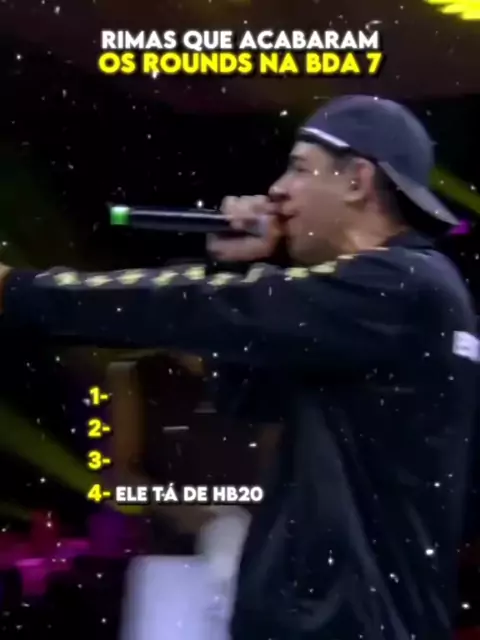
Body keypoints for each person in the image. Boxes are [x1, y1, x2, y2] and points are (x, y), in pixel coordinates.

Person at [0, 95, 478, 639]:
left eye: (299, 169)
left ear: (357, 180)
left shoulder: (401, 285)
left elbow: (201, 306)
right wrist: (236, 264)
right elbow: (245, 392)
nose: (277, 190)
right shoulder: (388, 305)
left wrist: (19, 292)